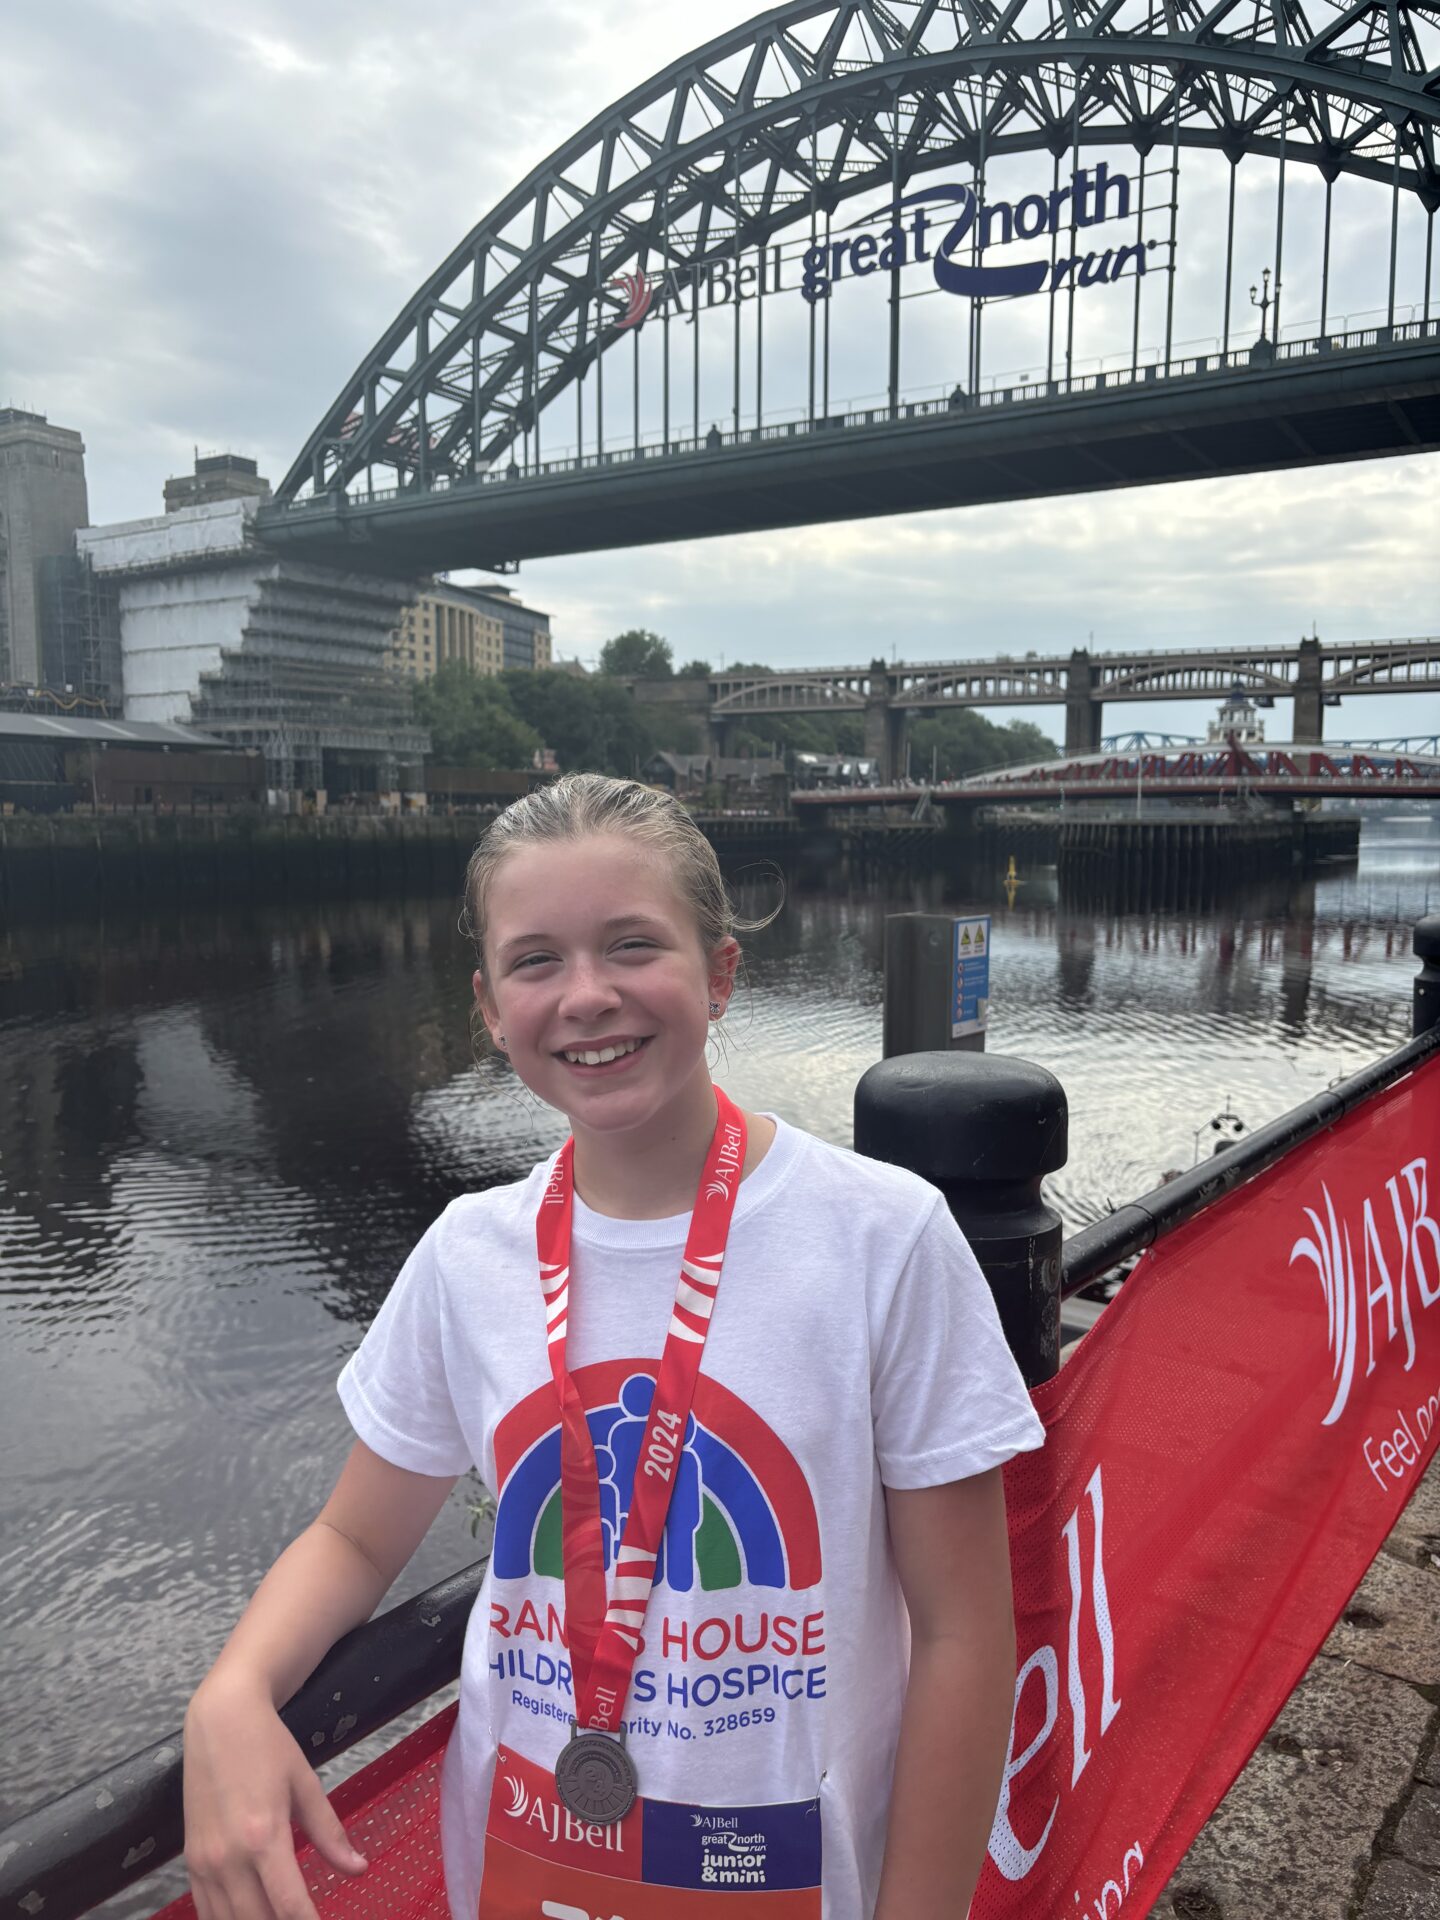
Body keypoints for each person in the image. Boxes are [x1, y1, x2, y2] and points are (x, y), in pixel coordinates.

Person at [182, 772, 1045, 1920]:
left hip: (801, 1880)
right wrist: (235, 1690)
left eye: (631, 945)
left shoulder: (883, 1240)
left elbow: (960, 1631)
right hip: (530, 1869)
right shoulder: (465, 1256)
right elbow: (352, 1534)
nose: (587, 996)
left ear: (720, 972)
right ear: (491, 1009)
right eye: (537, 961)